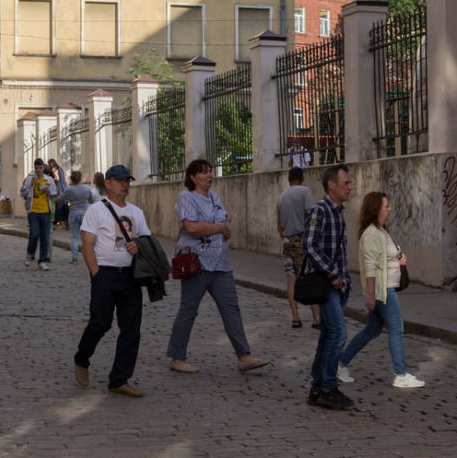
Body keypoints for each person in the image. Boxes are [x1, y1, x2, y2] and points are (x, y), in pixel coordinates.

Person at [165, 159, 270, 375]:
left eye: (211, 171)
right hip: (198, 262)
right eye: (204, 172)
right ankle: (177, 357)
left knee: (231, 308)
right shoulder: (186, 197)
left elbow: (216, 224)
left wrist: (219, 229)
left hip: (221, 262)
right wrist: (220, 228)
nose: (209, 175)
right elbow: (191, 227)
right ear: (193, 177)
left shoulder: (214, 196)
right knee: (189, 309)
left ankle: (244, 356)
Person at [73, 165, 150, 398]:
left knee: (131, 329)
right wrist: (96, 274)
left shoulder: (136, 212)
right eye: (120, 180)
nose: (125, 184)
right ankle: (82, 357)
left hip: (130, 277)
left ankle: (119, 379)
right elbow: (87, 244)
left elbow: (147, 239)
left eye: (128, 180)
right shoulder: (96, 210)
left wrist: (140, 245)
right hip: (104, 274)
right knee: (101, 322)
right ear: (108, 183)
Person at [335, 192, 425, 390]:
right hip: (382, 289)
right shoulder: (371, 234)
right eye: (386, 205)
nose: (389, 209)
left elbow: (386, 256)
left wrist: (400, 258)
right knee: (397, 327)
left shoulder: (381, 231)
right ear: (376, 209)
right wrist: (370, 295)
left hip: (385, 287)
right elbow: (370, 266)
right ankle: (401, 374)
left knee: (373, 329)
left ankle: (340, 363)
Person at [302, 163, 355, 411]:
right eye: (346, 183)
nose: (350, 187)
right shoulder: (320, 211)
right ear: (331, 185)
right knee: (338, 334)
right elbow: (310, 246)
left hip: (340, 285)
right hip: (327, 283)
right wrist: (334, 273)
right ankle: (327, 389)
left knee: (327, 335)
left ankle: (317, 388)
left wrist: (344, 278)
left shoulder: (338, 211)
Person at [277, 166, 320, 329]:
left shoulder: (281, 196)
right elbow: (310, 216)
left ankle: (295, 317)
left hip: (288, 242)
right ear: (302, 178)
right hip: (302, 240)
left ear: (289, 179)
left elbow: (279, 225)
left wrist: (287, 239)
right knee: (309, 278)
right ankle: (316, 318)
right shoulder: (305, 192)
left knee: (291, 278)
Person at [21, 158, 55, 270]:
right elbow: (23, 193)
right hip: (33, 211)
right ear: (34, 168)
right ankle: (29, 254)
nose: (38, 170)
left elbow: (54, 194)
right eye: (36, 168)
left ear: (43, 168)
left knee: (45, 237)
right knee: (34, 234)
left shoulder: (49, 179)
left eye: (40, 168)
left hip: (45, 211)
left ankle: (42, 260)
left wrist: (49, 191)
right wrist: (30, 184)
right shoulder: (30, 179)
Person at [63, 171, 95, 264]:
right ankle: (87, 256)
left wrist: (69, 198)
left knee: (74, 236)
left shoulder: (70, 189)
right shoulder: (86, 188)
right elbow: (91, 200)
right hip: (85, 214)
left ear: (72, 179)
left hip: (74, 214)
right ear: (80, 178)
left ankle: (75, 258)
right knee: (84, 237)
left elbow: (60, 198)